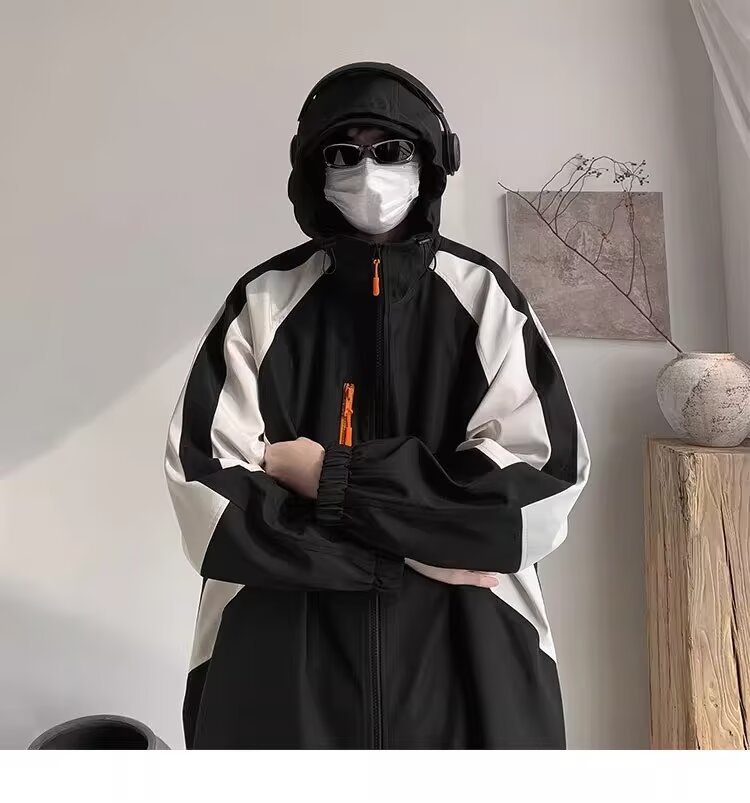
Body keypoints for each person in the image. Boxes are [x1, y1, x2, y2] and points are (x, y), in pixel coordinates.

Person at [164, 62, 590, 749]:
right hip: (275, 670)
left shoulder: (485, 299)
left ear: (428, 161)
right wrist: (408, 553)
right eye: (343, 153)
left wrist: (325, 476)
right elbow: (209, 502)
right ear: (315, 171)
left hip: (472, 662)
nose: (367, 172)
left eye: (390, 149)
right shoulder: (262, 303)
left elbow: (533, 499)